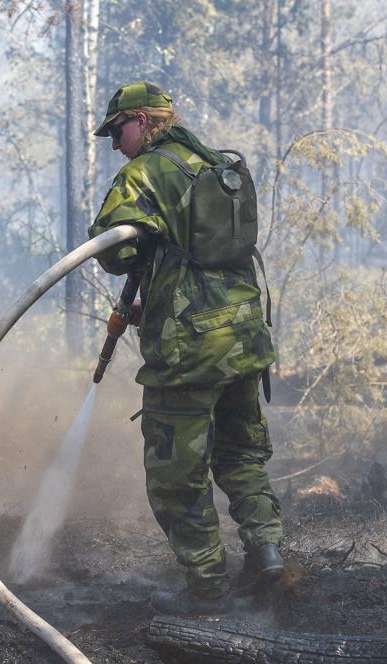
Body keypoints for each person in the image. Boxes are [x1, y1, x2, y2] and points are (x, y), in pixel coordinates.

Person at [87, 81, 285, 616]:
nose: (114, 144)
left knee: (177, 475)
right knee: (240, 455)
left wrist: (142, 243)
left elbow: (113, 253)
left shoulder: (146, 172)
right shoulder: (216, 165)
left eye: (118, 130)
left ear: (143, 121)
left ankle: (208, 588)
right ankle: (267, 553)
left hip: (191, 353)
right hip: (243, 339)